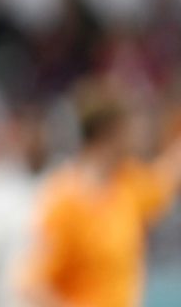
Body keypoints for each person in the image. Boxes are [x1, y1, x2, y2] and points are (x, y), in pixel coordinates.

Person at [18, 82, 181, 307]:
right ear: (111, 132)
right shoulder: (65, 198)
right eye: (133, 127)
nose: (142, 134)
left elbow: (166, 177)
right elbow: (32, 286)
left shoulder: (128, 184)